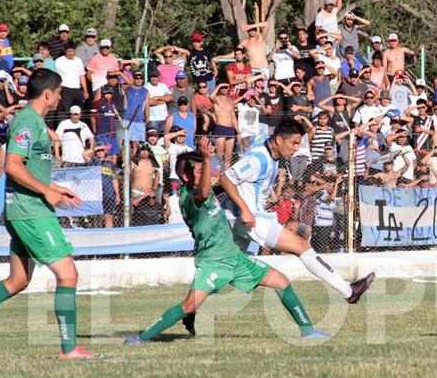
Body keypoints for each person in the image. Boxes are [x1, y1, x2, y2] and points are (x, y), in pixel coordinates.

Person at [125, 137, 330, 343]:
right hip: (213, 260)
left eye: (203, 169)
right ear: (185, 177)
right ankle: (141, 338)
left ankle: (308, 330)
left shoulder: (204, 190)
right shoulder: (188, 197)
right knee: (189, 304)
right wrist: (206, 159)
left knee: (281, 281)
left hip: (234, 257)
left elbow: (217, 187)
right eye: (199, 171)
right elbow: (204, 193)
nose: (205, 173)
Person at [0, 69, 96, 358]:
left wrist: (56, 187)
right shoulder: (28, 122)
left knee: (17, 281)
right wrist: (45, 192)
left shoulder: (34, 122)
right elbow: (13, 166)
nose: (59, 98)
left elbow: (29, 168)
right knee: (68, 273)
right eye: (58, 93)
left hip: (26, 210)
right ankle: (69, 349)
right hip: (30, 211)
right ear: (48, 94)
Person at [218, 117, 375, 306]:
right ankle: (349, 291)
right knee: (302, 246)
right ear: (278, 140)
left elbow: (255, 140)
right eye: (293, 143)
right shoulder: (259, 159)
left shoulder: (268, 147)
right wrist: (245, 210)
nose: (296, 148)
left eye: (299, 144)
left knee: (223, 269)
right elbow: (226, 179)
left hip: (241, 217)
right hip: (250, 218)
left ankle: (188, 308)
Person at [54, 42, 88, 120]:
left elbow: (82, 76)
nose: (70, 53)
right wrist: (57, 92)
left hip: (77, 89)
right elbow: (56, 78)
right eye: (68, 51)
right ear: (65, 51)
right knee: (64, 113)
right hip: (64, 89)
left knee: (78, 112)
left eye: (72, 51)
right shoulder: (59, 61)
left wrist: (85, 91)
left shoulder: (78, 61)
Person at [210, 83, 239, 169]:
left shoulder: (230, 101)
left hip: (230, 129)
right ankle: (217, 174)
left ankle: (226, 174)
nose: (224, 89)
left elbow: (233, 117)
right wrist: (219, 85)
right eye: (222, 88)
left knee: (228, 156)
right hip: (220, 128)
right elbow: (211, 96)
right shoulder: (217, 99)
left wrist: (238, 131)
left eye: (226, 88)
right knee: (219, 155)